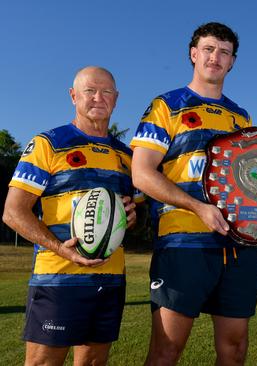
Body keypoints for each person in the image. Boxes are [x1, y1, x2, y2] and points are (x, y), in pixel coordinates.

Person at [130, 22, 257, 365]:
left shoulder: (241, 117)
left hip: (238, 247)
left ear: (232, 62)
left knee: (235, 350)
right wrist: (198, 207)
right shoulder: (166, 106)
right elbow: (141, 173)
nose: (215, 57)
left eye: (224, 52)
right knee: (167, 350)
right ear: (193, 54)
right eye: (208, 49)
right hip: (184, 245)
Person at [2, 66, 138, 366]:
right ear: (73, 95)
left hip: (110, 280)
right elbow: (13, 212)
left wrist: (129, 216)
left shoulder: (127, 157)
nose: (98, 97)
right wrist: (60, 248)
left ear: (116, 99)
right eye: (90, 90)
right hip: (58, 280)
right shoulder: (48, 143)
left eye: (106, 91)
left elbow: (130, 211)